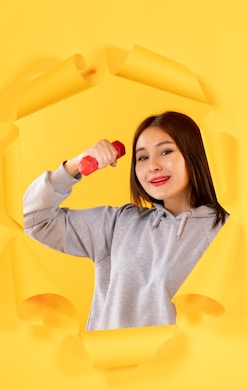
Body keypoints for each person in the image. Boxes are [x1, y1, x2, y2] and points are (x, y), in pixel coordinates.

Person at [23, 111, 229, 331]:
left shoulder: (225, 230)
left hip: (187, 364)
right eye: (142, 157)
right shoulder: (117, 224)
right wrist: (75, 165)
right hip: (108, 362)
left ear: (194, 155)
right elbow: (34, 219)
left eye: (166, 151)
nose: (153, 166)